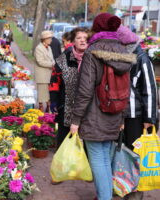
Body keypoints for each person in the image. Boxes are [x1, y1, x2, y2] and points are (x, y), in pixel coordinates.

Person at [70, 13, 136, 200]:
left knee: (98, 159)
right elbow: (126, 88)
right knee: (106, 158)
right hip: (115, 112)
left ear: (97, 27)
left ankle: (104, 197)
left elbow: (85, 90)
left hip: (94, 113)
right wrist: (122, 116)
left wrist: (76, 119)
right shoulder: (125, 52)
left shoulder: (93, 52)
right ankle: (104, 196)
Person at [116, 25, 158, 200]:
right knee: (120, 151)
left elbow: (150, 89)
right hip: (117, 115)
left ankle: (135, 190)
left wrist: (149, 118)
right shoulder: (118, 58)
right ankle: (120, 184)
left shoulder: (141, 58)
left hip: (135, 116)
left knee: (135, 152)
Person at [49, 27, 89, 149]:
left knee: (86, 146)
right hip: (65, 107)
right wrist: (54, 101)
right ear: (73, 41)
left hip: (88, 110)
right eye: (79, 38)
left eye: (85, 38)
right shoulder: (64, 58)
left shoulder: (93, 58)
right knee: (64, 145)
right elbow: (54, 81)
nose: (82, 41)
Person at [34, 30, 55, 112]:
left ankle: (48, 108)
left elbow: (52, 59)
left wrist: (53, 63)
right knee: (42, 93)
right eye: (49, 38)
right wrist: (52, 64)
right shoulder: (38, 48)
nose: (51, 40)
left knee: (48, 93)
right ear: (44, 39)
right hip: (42, 75)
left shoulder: (49, 47)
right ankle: (41, 108)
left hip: (49, 74)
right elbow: (40, 61)